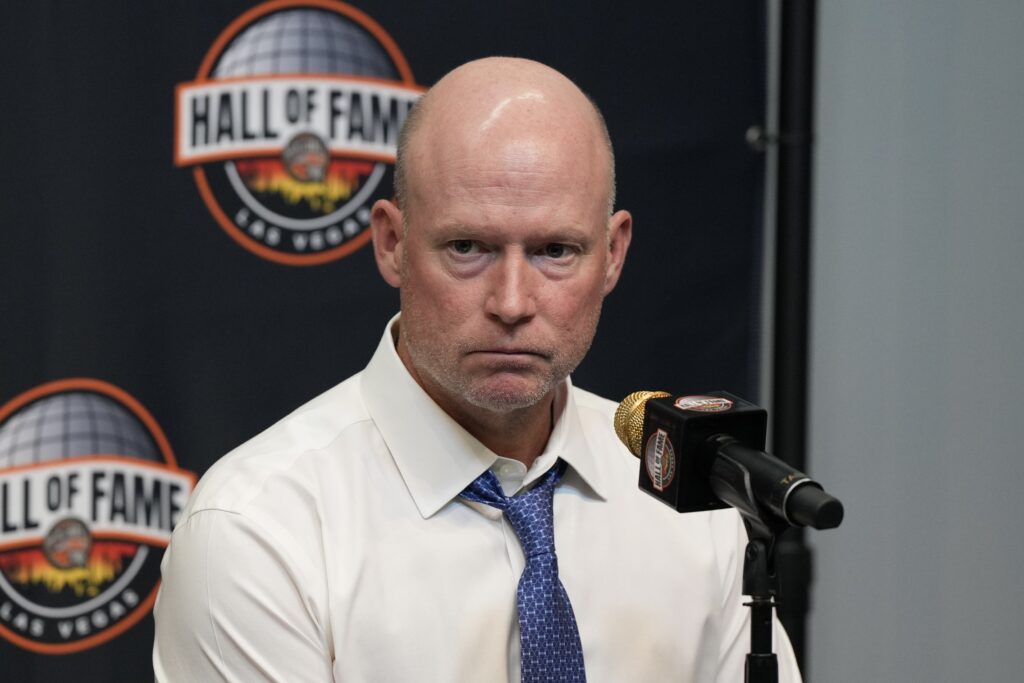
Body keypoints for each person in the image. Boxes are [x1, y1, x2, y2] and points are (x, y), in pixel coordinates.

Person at [153, 57, 802, 682]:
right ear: (391, 242)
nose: (512, 302)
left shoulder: (689, 500)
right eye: (468, 247)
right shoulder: (259, 531)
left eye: (556, 250)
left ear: (612, 254)